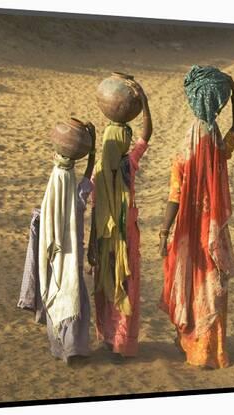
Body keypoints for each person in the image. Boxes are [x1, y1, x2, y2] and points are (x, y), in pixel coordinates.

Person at [159, 65, 234, 369]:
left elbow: (174, 195)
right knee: (214, 286)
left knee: (190, 283)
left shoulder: (187, 145)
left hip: (188, 232)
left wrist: (164, 231)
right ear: (217, 103)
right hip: (212, 231)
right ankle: (214, 350)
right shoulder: (218, 143)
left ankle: (193, 345)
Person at [18, 121, 97, 365]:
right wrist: (92, 150)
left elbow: (46, 212)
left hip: (54, 256)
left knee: (57, 294)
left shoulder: (54, 187)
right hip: (72, 254)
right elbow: (87, 178)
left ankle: (60, 346)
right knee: (74, 296)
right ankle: (73, 348)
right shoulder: (77, 192)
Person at [88, 79, 152, 361]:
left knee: (105, 286)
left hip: (103, 241)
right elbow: (146, 134)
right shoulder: (129, 165)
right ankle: (121, 342)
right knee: (125, 285)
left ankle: (106, 338)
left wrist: (91, 244)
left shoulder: (98, 173)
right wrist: (145, 102)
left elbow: (94, 212)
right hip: (127, 238)